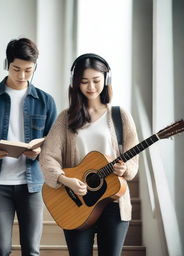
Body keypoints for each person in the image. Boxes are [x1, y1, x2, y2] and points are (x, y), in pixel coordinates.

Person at [39, 53, 139, 256]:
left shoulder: (120, 116)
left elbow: (133, 162)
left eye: (96, 80)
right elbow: (48, 156)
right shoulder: (66, 118)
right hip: (76, 201)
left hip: (114, 204)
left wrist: (124, 168)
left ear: (106, 80)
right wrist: (65, 180)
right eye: (84, 82)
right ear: (75, 84)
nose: (91, 87)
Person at [0, 38, 57, 256]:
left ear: (35, 67)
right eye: (16, 69)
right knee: (1, 249)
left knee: (32, 250)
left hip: (32, 185)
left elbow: (54, 142)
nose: (21, 76)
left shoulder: (46, 101)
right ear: (6, 64)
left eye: (28, 70)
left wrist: (40, 150)